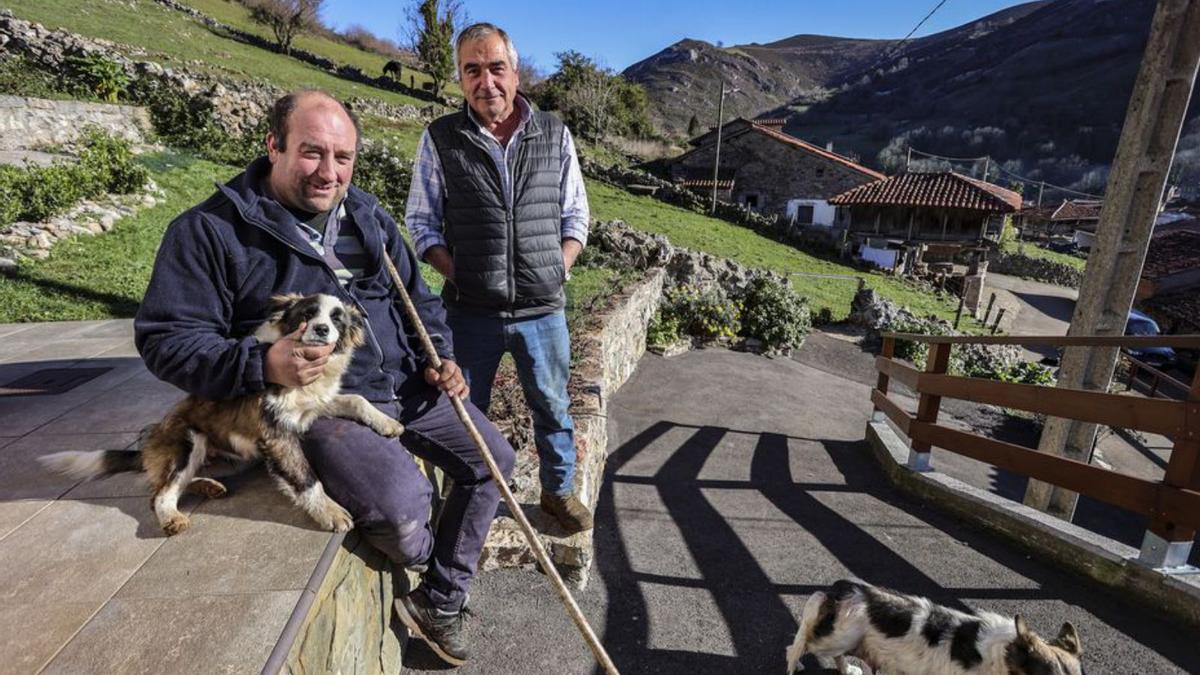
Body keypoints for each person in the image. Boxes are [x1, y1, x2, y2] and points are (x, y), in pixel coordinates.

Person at [134, 89, 510, 667]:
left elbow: (418, 299)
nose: (330, 173)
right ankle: (430, 564)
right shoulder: (209, 232)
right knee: (405, 522)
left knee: (496, 463)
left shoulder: (366, 216)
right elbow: (167, 339)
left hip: (411, 384)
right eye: (312, 153)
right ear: (273, 147)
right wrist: (260, 364)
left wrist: (441, 353)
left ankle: (440, 599)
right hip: (319, 408)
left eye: (344, 157)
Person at [405, 22, 594, 534]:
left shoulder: (553, 132)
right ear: (460, 79)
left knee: (553, 408)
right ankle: (466, 503)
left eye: (495, 68)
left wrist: (560, 265)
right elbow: (420, 223)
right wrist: (459, 272)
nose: (485, 81)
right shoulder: (442, 138)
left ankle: (557, 494)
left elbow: (576, 214)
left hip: (543, 311)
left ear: (515, 71)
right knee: (465, 416)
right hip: (469, 313)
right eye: (472, 70)